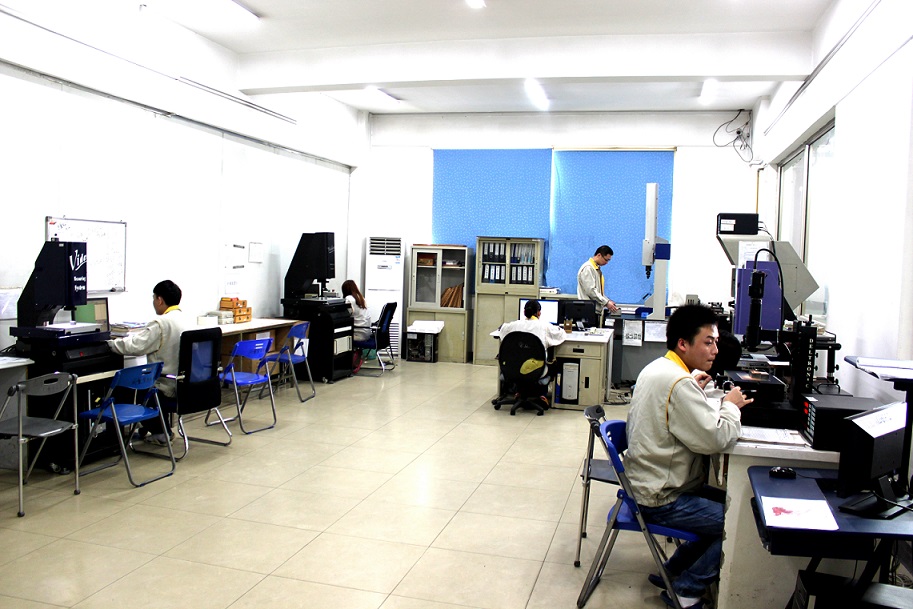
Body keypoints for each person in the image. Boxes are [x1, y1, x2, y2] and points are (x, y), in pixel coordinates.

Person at [623, 304, 753, 609]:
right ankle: (686, 590)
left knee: (733, 503)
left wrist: (693, 392)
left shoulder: (659, 369)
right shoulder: (679, 383)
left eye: (716, 342)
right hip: (661, 498)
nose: (715, 350)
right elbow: (716, 438)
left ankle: (673, 569)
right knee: (741, 521)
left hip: (648, 484)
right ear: (683, 343)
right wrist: (730, 405)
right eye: (708, 342)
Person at [106, 279, 190, 446]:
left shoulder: (161, 323)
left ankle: (160, 432)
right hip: (185, 384)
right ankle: (158, 429)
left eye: (153, 298)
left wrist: (109, 344)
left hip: (167, 385)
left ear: (159, 300)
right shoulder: (185, 319)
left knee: (128, 389)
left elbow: (135, 346)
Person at [496, 299, 567, 407]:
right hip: (536, 370)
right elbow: (561, 334)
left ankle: (519, 392)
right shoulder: (545, 326)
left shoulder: (514, 325)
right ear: (539, 313)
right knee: (554, 363)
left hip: (513, 369)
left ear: (524, 312)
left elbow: (501, 328)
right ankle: (541, 394)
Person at [577, 245, 619, 314]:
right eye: (606, 260)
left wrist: (608, 301)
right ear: (599, 255)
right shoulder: (588, 268)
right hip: (587, 311)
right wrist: (606, 302)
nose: (607, 263)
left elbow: (598, 292)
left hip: (593, 310)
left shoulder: (596, 269)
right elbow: (591, 291)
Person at [341, 279, 372, 371]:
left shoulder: (349, 299)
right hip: (366, 333)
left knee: (338, 336)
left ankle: (345, 363)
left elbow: (346, 314)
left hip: (358, 334)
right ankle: (356, 356)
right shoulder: (361, 298)